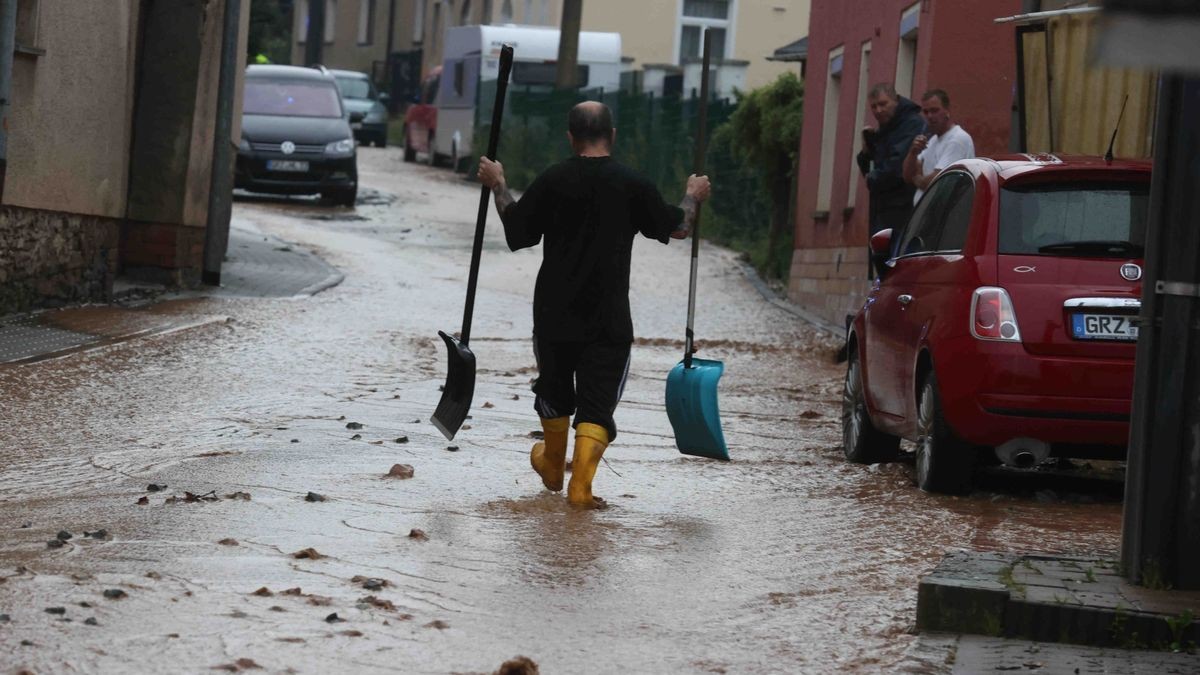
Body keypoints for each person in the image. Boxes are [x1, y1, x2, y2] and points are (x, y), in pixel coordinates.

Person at [477, 101, 710, 508]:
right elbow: (679, 227)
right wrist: (693, 196)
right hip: (608, 319)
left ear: (570, 137)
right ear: (612, 135)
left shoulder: (553, 179)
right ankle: (580, 487)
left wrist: (498, 182)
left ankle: (551, 462)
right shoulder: (632, 183)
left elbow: (517, 231)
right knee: (597, 403)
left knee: (553, 390)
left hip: (552, 314)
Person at [856, 83, 926, 270]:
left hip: (902, 208)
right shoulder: (886, 128)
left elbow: (894, 168)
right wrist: (866, 151)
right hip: (884, 210)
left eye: (883, 104)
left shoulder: (910, 124)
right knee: (883, 264)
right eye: (874, 107)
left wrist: (873, 178)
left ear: (895, 100)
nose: (878, 110)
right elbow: (870, 168)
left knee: (895, 264)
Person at [903, 89, 975, 204]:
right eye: (926, 112)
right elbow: (907, 175)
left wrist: (917, 178)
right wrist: (913, 152)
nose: (930, 116)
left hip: (944, 215)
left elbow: (936, 182)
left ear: (947, 110)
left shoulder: (957, 139)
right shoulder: (933, 140)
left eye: (935, 110)